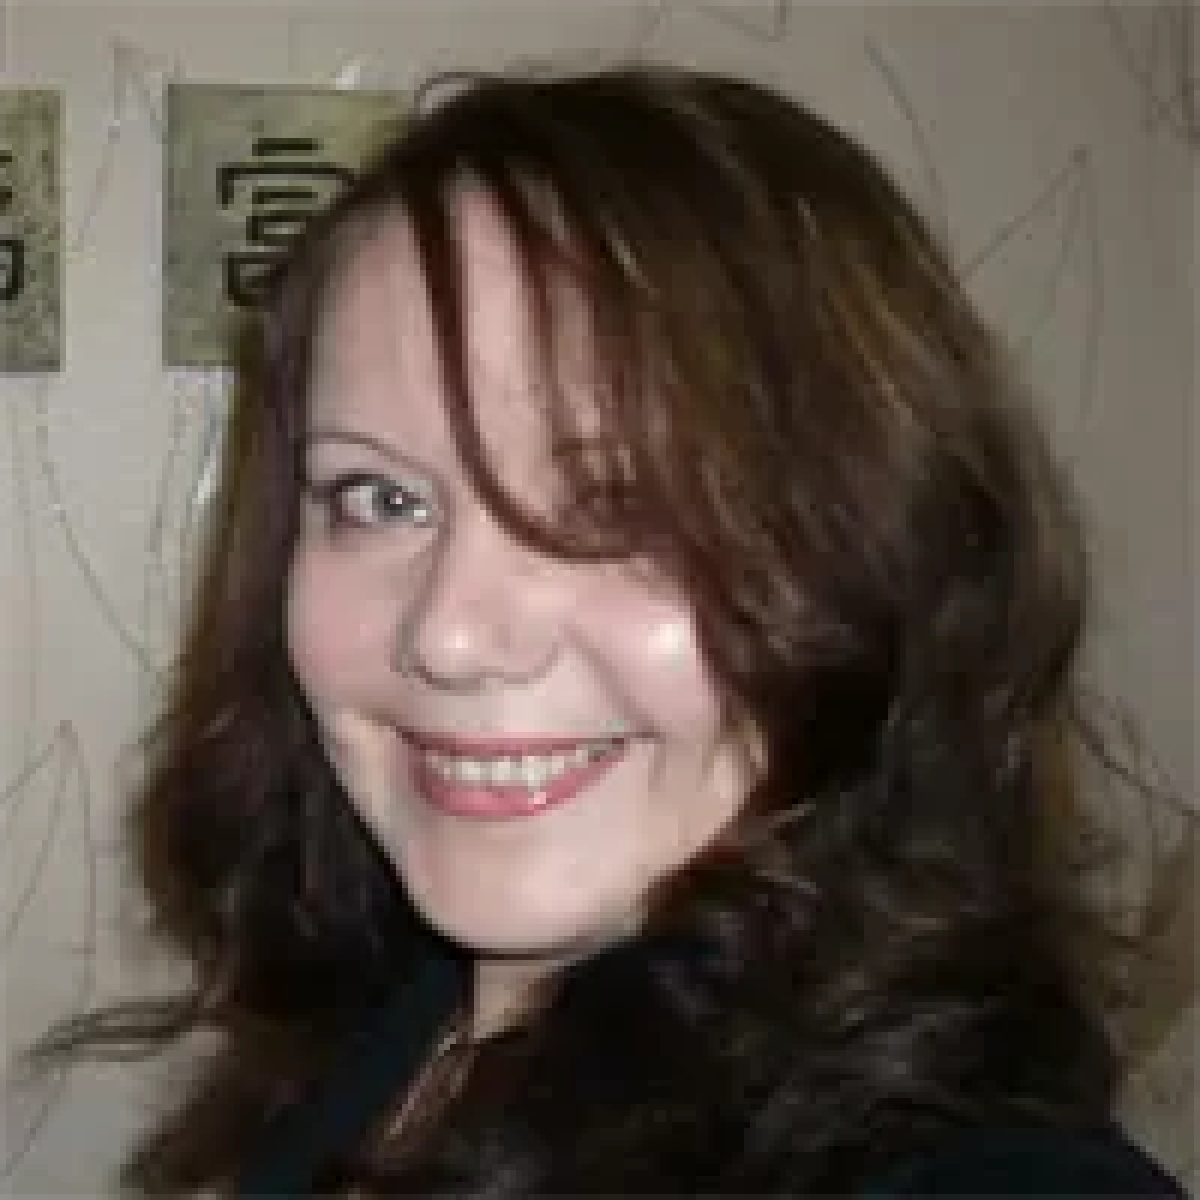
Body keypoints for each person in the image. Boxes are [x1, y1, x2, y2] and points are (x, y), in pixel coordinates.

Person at [38, 65, 1187, 1195]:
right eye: (380, 498)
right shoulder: (413, 1009)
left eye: (618, 502)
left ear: (880, 554)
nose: (450, 636)